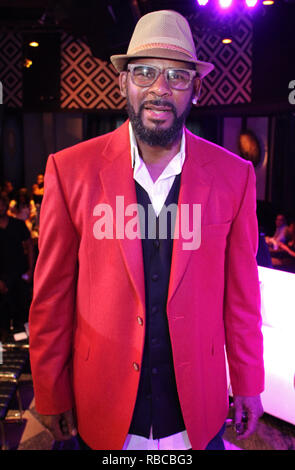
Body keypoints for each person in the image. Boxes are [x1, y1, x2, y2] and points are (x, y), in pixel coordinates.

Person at [29, 10, 264, 450]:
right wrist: (50, 389)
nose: (160, 88)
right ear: (123, 83)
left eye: (177, 76)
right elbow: (52, 297)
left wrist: (249, 381)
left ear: (195, 88)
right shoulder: (69, 170)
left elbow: (242, 295)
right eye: (145, 72)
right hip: (101, 405)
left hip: (197, 411)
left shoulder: (235, 176)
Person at [0, 193, 34, 335]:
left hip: (19, 274)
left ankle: (23, 351)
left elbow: (30, 246)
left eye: (1, 204)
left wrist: (31, 270)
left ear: (6, 205)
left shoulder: (18, 224)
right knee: (3, 320)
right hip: (2, 276)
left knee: (22, 317)